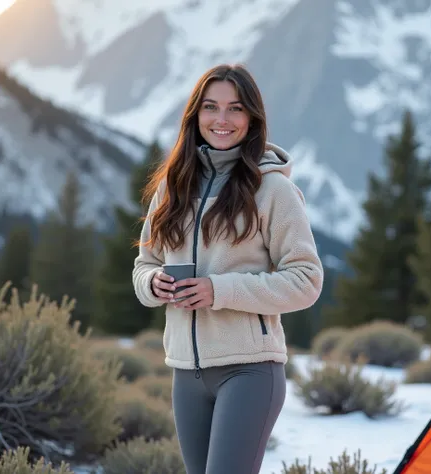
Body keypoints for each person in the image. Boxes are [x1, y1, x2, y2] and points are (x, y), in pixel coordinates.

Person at [132, 63, 323, 474]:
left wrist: (220, 290)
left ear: (252, 118)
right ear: (195, 115)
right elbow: (144, 263)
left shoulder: (274, 191)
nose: (222, 120)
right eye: (210, 107)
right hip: (186, 372)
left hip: (250, 369)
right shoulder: (172, 188)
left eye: (235, 109)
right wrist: (154, 282)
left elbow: (306, 279)